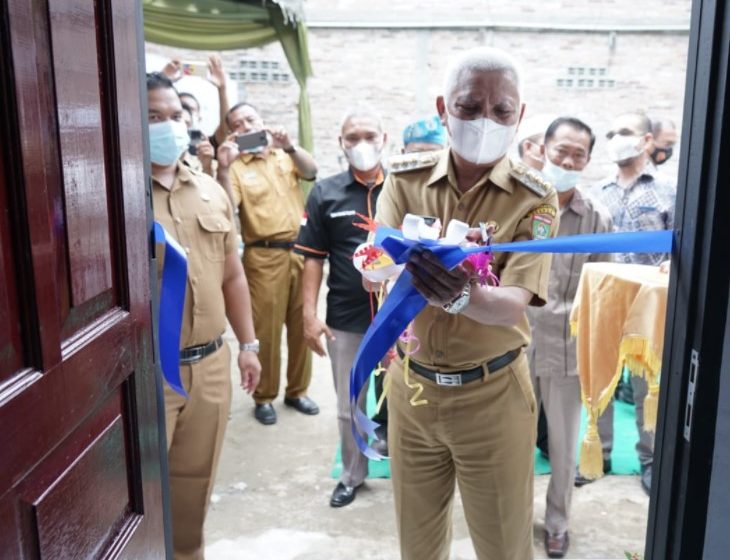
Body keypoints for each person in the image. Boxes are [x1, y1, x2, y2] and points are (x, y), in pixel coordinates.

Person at [373, 47, 558, 560]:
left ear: (519, 116)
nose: (485, 121)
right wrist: (374, 267)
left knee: (502, 545)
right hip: (412, 391)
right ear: (443, 108)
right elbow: (377, 262)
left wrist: (459, 295)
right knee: (418, 545)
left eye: (501, 111)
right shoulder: (405, 180)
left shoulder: (534, 198)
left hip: (493, 395)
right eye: (470, 106)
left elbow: (512, 304)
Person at [146, 72, 261, 560]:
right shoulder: (112, 195)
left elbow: (233, 274)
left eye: (176, 116)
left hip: (211, 366)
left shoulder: (212, 191)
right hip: (148, 372)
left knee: (194, 486)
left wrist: (249, 345)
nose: (168, 126)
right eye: (153, 117)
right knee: (141, 494)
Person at [527, 117, 613, 558]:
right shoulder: (518, 204)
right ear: (542, 148)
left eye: (578, 154)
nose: (567, 160)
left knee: (562, 446)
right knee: (513, 438)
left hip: (566, 346)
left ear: (588, 161)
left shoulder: (597, 216)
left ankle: (558, 522)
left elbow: (604, 285)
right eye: (561, 150)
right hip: (514, 341)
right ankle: (514, 514)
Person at [295, 105, 388, 507]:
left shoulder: (404, 189)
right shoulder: (326, 192)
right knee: (350, 403)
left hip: (403, 320)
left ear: (386, 140)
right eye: (353, 138)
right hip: (347, 317)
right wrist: (308, 314)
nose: (362, 145)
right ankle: (353, 474)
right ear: (341, 144)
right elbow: (313, 257)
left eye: (370, 136)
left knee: (409, 401)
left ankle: (417, 470)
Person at [584, 111, 675, 495]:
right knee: (598, 379)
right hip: (605, 301)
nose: (615, 138)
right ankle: (598, 455)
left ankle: (649, 460)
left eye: (624, 132)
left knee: (646, 388)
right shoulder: (598, 192)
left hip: (646, 305)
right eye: (610, 132)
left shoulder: (667, 191)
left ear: (647, 141)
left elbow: (679, 245)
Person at [217, 102, 319, 425]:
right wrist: (222, 167)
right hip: (262, 256)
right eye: (239, 124)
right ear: (234, 132)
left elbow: (312, 171)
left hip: (301, 251)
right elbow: (228, 206)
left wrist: (289, 145)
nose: (246, 126)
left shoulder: (283, 155)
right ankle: (264, 395)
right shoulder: (235, 166)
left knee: (304, 324)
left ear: (262, 119)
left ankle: (297, 391)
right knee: (266, 329)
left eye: (251, 118)